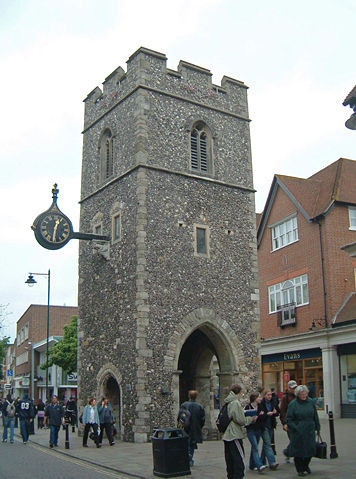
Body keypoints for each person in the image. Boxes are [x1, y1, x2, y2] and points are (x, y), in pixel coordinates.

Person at [222, 384, 257, 479]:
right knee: (238, 459)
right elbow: (240, 420)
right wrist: (251, 419)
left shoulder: (228, 401)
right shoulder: (235, 402)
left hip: (227, 434)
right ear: (239, 392)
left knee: (230, 459)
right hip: (234, 433)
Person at [287, 385, 320, 477]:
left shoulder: (310, 402)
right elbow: (289, 419)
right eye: (302, 394)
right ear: (298, 394)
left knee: (310, 449)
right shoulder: (293, 404)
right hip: (298, 431)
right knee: (299, 451)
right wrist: (295, 427)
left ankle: (305, 465)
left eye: (305, 393)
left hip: (309, 429)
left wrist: (317, 427)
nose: (304, 395)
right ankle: (300, 469)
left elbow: (315, 415)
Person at [180, 390, 205, 467]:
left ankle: (186, 458)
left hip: (185, 428)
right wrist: (199, 426)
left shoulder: (184, 405)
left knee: (184, 443)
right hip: (195, 429)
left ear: (189, 396)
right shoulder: (199, 406)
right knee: (192, 444)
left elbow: (180, 417)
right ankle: (190, 459)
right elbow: (202, 419)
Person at [244, 393, 267, 473]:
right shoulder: (248, 407)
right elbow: (245, 417)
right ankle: (259, 465)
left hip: (258, 429)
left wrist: (259, 416)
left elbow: (264, 416)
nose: (260, 398)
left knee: (254, 447)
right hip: (251, 429)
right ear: (254, 398)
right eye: (259, 397)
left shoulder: (260, 406)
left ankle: (252, 464)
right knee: (255, 447)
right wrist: (254, 417)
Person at [259, 389, 279, 470]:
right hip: (264, 426)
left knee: (266, 445)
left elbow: (278, 412)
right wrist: (267, 414)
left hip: (271, 425)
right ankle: (272, 462)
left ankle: (261, 462)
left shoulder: (273, 402)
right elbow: (260, 415)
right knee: (268, 443)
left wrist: (275, 412)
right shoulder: (261, 404)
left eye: (270, 395)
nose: (270, 396)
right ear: (264, 396)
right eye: (268, 395)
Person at [279, 379, 297, 462]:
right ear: (289, 388)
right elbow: (282, 411)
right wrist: (284, 423)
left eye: (295, 388)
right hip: (290, 422)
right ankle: (288, 452)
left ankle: (290, 452)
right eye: (292, 388)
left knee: (297, 439)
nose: (294, 390)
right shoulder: (285, 398)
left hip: (298, 421)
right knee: (293, 439)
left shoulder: (299, 396)